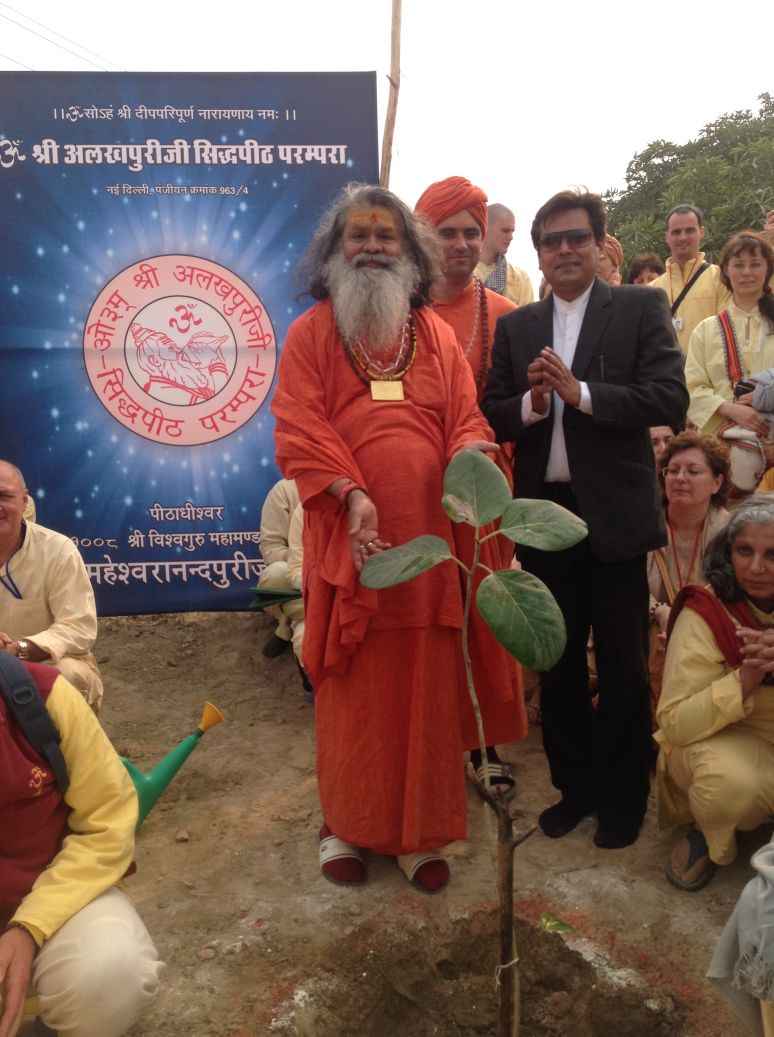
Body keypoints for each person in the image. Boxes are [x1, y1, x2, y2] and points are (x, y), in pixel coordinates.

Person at [271, 183, 524, 893]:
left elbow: (466, 418)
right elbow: (298, 426)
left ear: (410, 254)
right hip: (352, 545)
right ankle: (347, 824)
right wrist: (351, 494)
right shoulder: (312, 334)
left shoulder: (436, 337)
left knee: (427, 688)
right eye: (360, 236)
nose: (374, 247)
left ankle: (420, 831)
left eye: (388, 237)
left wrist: (472, 454)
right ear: (335, 250)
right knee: (356, 690)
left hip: (431, 546)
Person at [482, 187, 688, 850]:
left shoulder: (637, 307)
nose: (564, 250)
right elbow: (493, 411)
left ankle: (625, 798)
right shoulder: (517, 325)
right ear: (537, 253)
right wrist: (538, 403)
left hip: (617, 516)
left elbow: (669, 396)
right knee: (559, 660)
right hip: (546, 515)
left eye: (576, 238)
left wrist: (584, 394)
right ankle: (576, 790)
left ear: (600, 245)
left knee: (626, 666)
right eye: (551, 241)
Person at [414, 175, 526, 786]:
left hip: (483, 491)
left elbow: (512, 407)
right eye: (445, 231)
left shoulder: (505, 315)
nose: (459, 244)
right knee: (424, 617)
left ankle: (483, 746)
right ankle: (427, 741)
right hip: (412, 494)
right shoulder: (394, 310)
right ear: (422, 236)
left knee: (483, 613)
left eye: (470, 232)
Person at [0, 662, 163, 1037]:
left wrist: (30, 926)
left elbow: (107, 822)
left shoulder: (41, 697)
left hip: (54, 899)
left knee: (112, 974)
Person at [656, 497, 774, 892]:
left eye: (772, 554)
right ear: (728, 552)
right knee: (727, 788)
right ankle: (710, 832)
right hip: (722, 742)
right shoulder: (706, 612)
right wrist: (747, 676)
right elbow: (674, 723)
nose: (756, 568)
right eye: (744, 550)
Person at [0, 461, 103, 712]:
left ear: (24, 502)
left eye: (4, 496)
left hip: (41, 665)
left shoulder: (57, 550)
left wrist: (21, 649)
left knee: (65, 675)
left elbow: (79, 628)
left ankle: (58, 751)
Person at [685, 231, 774, 495]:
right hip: (722, 449)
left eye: (755, 264)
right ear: (725, 271)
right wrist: (732, 409)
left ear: (768, 269)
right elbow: (691, 388)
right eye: (738, 264)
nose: (747, 272)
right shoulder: (706, 329)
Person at [647, 432, 730, 715]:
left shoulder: (730, 533)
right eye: (673, 471)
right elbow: (623, 584)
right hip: (647, 625)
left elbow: (731, 594)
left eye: (693, 471)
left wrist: (685, 623)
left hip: (707, 630)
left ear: (717, 482)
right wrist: (659, 612)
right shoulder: (643, 523)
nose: (680, 478)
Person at [649, 203, 732, 353]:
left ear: (701, 232)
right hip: (667, 373)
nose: (683, 237)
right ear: (667, 237)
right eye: (676, 232)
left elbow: (727, 331)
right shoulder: (652, 289)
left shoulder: (721, 278)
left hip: (709, 371)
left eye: (689, 230)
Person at [258, 477, 303, 659]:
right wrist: (300, 558)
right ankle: (291, 621)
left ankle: (287, 628)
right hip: (301, 570)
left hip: (340, 573)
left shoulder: (351, 491)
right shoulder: (286, 490)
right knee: (276, 574)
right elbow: (270, 548)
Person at [474, 203, 534, 306]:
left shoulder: (521, 278)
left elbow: (527, 319)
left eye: (512, 232)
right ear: (485, 228)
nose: (511, 237)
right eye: (505, 231)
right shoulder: (465, 273)